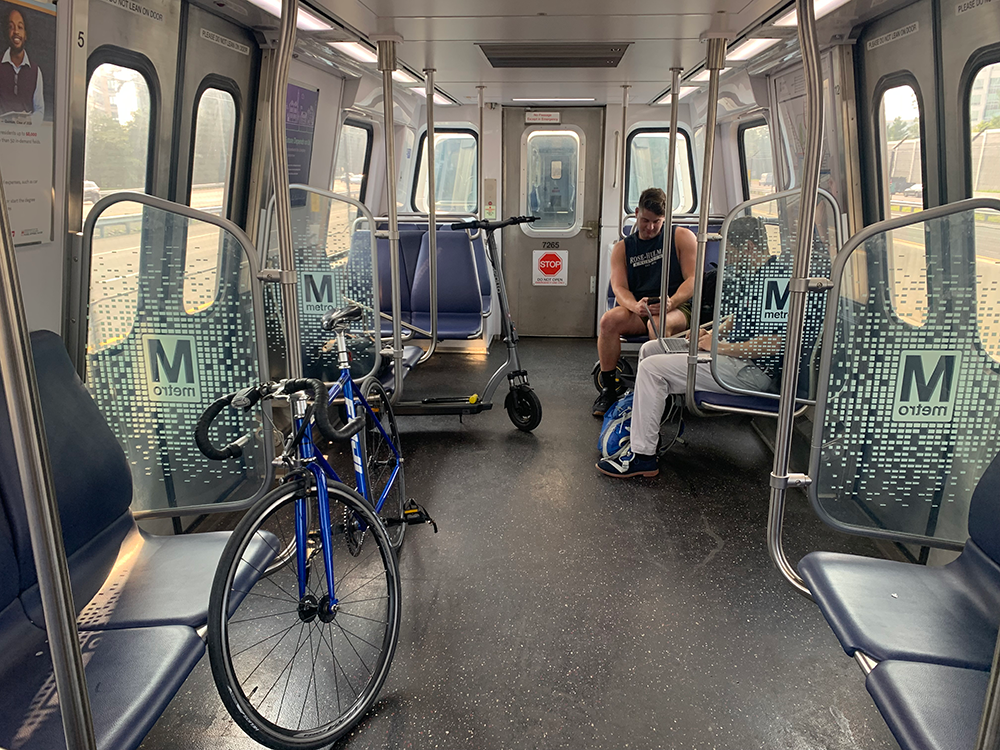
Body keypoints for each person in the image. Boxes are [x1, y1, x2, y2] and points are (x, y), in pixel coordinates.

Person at [596, 214, 828, 479]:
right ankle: (648, 430)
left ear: (749, 248)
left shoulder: (777, 283)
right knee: (652, 349)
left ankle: (642, 456)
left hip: (751, 372)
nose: (728, 261)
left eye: (731, 253)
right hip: (734, 359)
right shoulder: (760, 275)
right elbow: (738, 318)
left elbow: (775, 344)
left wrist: (718, 346)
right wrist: (710, 333)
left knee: (651, 369)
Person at [593, 187, 697, 418]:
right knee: (608, 321)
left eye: (657, 222)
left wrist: (672, 301)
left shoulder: (681, 237)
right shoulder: (623, 248)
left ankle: (662, 391)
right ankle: (609, 388)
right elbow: (619, 288)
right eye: (645, 220)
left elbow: (692, 280)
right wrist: (634, 306)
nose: (650, 228)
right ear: (637, 213)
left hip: (677, 306)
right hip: (641, 307)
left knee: (657, 326)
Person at [0, 8, 43, 119]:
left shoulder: (35, 71)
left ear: (26, 34)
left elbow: (39, 111)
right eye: (11, 27)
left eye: (20, 27)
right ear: (6, 32)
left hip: (26, 134)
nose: (16, 32)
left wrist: (28, 124)